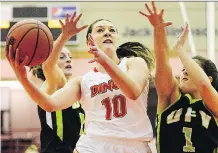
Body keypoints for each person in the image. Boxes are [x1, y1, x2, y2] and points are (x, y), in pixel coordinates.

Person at [6, 14, 155, 152]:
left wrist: (106, 62)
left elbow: (133, 92)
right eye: (100, 30)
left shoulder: (134, 63)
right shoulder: (83, 81)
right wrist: (22, 78)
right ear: (89, 41)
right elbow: (49, 104)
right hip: (92, 144)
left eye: (112, 30)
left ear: (117, 37)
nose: (107, 32)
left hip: (134, 145)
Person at [140, 2, 218, 153]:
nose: (185, 72)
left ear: (210, 78)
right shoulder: (170, 99)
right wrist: (158, 31)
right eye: (183, 69)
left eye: (190, 68)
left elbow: (203, 85)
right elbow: (162, 62)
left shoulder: (214, 106)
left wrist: (180, 50)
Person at [29, 12, 87, 153]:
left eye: (70, 57)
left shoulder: (76, 87)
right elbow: (48, 64)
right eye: (62, 56)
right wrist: (64, 36)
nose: (68, 59)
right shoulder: (52, 85)